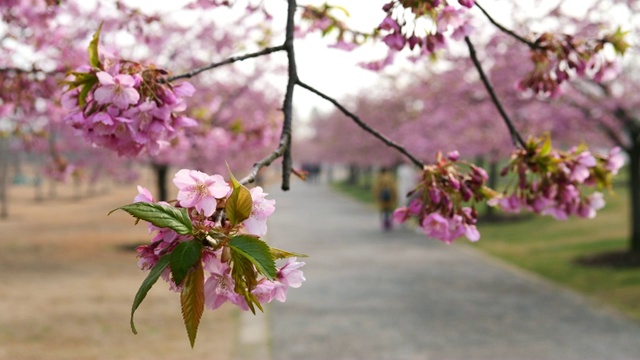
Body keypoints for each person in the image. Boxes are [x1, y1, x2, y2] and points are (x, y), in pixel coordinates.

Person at [373, 167, 398, 231]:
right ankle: (390, 223)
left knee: (383, 211)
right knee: (389, 210)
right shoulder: (390, 177)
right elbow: (394, 188)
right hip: (390, 198)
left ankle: (384, 223)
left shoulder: (379, 178)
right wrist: (395, 197)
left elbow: (376, 188)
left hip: (382, 198)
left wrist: (377, 196)